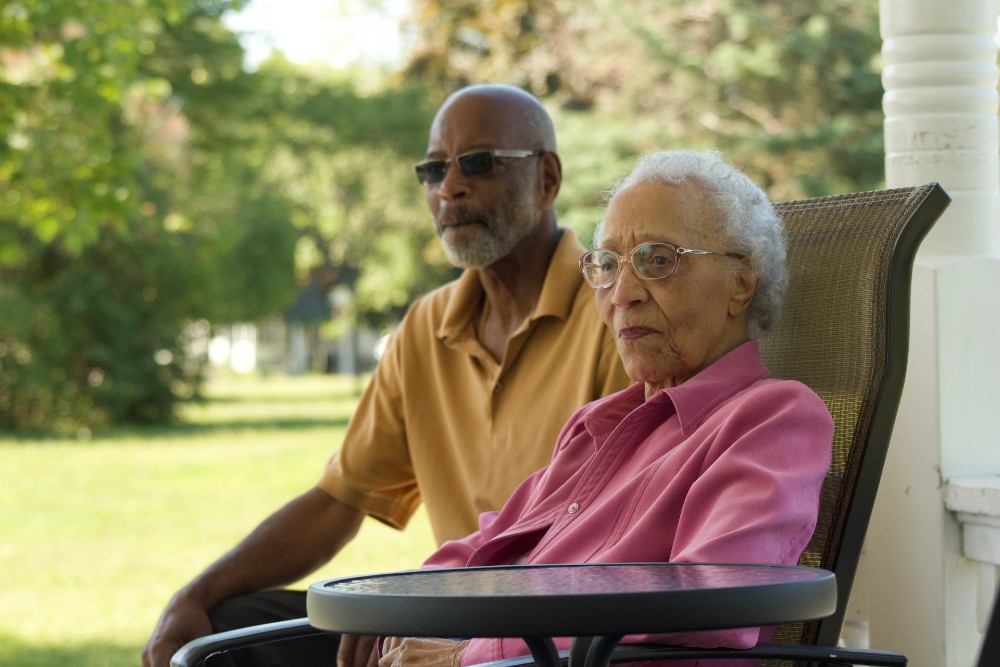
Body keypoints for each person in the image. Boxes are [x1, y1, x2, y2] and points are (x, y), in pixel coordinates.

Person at [141, 84, 631, 667]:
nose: (449, 187)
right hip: (436, 615)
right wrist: (196, 594)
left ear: (547, 179)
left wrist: (424, 600)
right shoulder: (425, 329)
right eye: (432, 171)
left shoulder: (614, 313)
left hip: (557, 634)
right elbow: (336, 504)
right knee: (222, 633)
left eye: (478, 163)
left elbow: (607, 530)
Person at [373, 150, 834, 667]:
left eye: (658, 260)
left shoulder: (774, 418)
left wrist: (472, 656)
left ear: (741, 282)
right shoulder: (596, 426)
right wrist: (395, 608)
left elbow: (712, 604)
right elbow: (490, 543)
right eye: (608, 266)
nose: (623, 293)